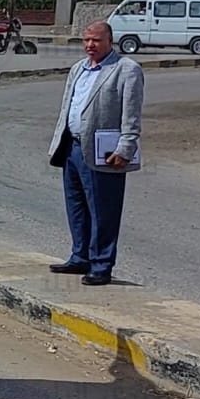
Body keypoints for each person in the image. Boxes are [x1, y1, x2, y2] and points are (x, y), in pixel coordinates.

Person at [45, 21, 144, 286]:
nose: (90, 45)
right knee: (76, 206)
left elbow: (131, 115)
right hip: (72, 147)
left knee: (103, 210)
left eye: (96, 40)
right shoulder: (78, 68)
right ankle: (80, 256)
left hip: (104, 152)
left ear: (110, 41)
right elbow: (69, 106)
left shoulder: (127, 70)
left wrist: (126, 148)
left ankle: (101, 264)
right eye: (87, 40)